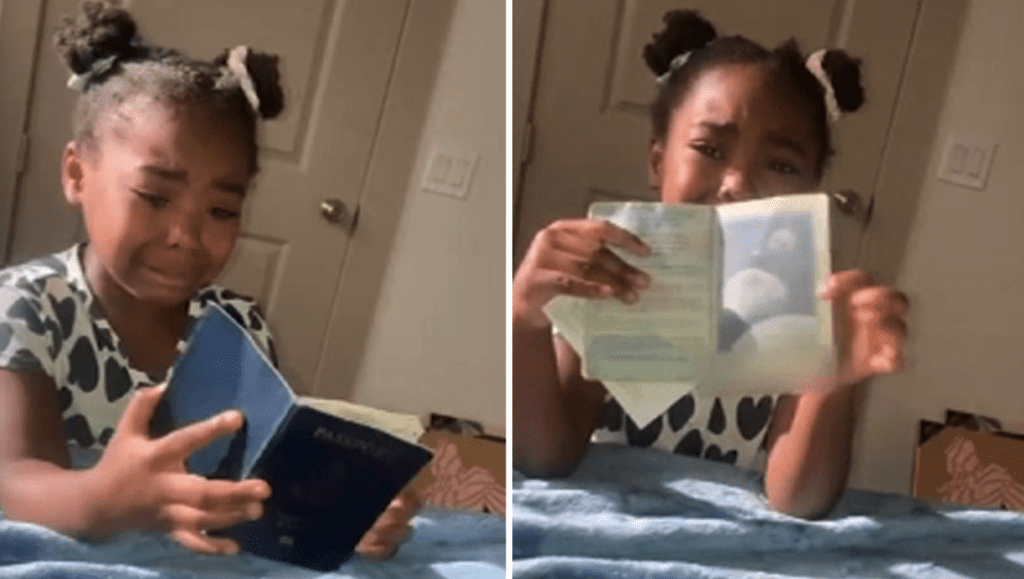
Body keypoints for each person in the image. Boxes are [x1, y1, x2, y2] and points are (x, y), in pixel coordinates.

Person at [0, 1, 414, 559]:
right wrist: (108, 496)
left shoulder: (233, 324)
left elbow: (253, 482)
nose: (186, 236)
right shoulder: (28, 306)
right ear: (77, 173)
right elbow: (17, 479)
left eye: (221, 211)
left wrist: (334, 513)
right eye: (154, 197)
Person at [512, 9, 909, 519]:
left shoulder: (810, 307)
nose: (737, 183)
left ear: (810, 189)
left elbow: (800, 500)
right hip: (605, 524)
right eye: (708, 149)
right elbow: (545, 457)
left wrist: (836, 378)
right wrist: (524, 318)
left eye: (783, 165)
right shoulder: (610, 277)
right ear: (658, 161)